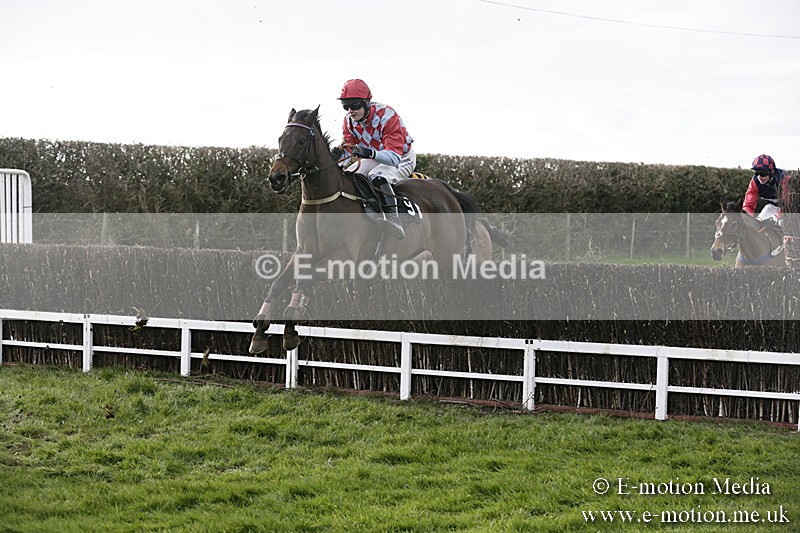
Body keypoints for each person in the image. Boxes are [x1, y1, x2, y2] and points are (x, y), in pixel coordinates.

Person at [333, 79, 415, 239]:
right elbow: (349, 148)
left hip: (401, 157)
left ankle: (394, 219)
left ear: (366, 103)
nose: (350, 110)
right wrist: (337, 156)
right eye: (346, 106)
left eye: (355, 105)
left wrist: (367, 152)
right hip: (374, 156)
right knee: (348, 176)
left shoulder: (387, 116)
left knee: (378, 176)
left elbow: (393, 157)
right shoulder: (348, 121)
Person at [743, 154, 785, 225]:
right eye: (756, 173)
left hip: (792, 209)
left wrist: (776, 217)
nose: (759, 177)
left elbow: (789, 205)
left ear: (771, 172)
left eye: (763, 173)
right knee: (758, 224)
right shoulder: (755, 182)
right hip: (773, 207)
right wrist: (746, 219)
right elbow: (749, 204)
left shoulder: (784, 180)